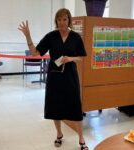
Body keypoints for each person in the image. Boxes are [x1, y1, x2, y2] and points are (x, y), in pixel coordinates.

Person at [18, 8, 88, 150]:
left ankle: (81, 138)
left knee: (75, 105)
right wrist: (28, 36)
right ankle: (59, 134)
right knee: (55, 106)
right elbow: (35, 53)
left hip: (70, 76)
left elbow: (81, 57)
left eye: (65, 19)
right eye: (59, 19)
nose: (62, 22)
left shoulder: (75, 37)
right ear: (56, 21)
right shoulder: (51, 36)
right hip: (54, 76)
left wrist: (70, 58)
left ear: (69, 20)